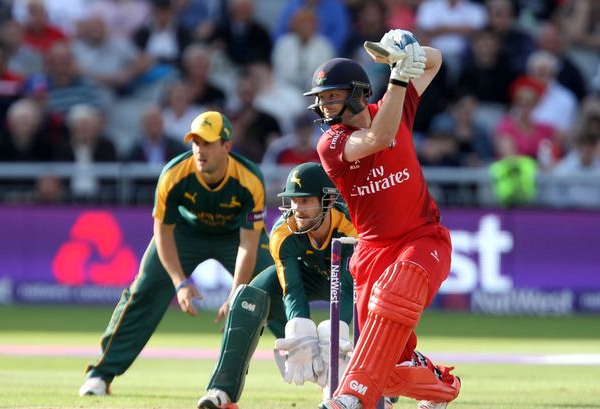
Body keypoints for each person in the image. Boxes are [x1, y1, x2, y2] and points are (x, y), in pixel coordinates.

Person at [304, 30, 461, 409]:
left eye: (333, 96)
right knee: (388, 366)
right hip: (373, 253)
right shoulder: (332, 144)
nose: (325, 106)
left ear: (358, 93)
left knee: (396, 291)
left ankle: (350, 397)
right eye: (321, 99)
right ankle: (442, 387)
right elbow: (381, 137)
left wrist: (404, 52)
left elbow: (436, 59)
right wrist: (399, 75)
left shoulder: (396, 99)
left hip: (424, 239)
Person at [78, 111, 273, 396]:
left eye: (207, 143)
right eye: (195, 142)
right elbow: (163, 232)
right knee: (143, 290)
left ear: (226, 146)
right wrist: (179, 282)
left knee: (274, 284)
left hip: (235, 236)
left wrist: (236, 294)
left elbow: (248, 243)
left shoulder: (249, 178)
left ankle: (321, 370)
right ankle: (100, 374)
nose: (199, 150)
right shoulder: (174, 173)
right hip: (184, 233)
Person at [196, 162, 358, 409]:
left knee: (381, 303)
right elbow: (291, 287)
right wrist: (299, 330)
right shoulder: (283, 232)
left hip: (356, 281)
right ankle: (222, 391)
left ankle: (381, 389)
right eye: (293, 201)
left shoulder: (350, 226)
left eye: (306, 201)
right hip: (311, 276)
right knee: (251, 295)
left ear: (327, 200)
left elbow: (346, 289)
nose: (298, 209)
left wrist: (334, 334)